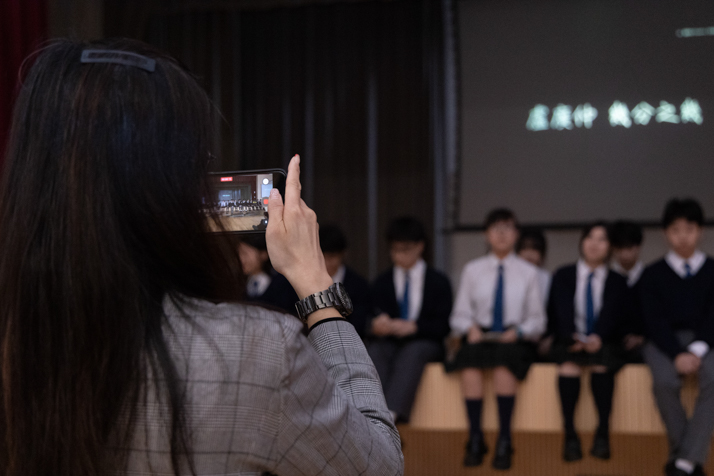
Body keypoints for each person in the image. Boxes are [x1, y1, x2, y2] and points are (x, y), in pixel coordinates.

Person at [0, 39, 403, 476]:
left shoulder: (19, 345)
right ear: (173, 184)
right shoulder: (260, 351)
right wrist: (317, 290)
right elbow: (379, 465)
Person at [450, 209, 546, 470]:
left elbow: (538, 320)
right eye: (496, 228)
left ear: (516, 234)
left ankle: (505, 439)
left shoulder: (529, 272)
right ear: (486, 234)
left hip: (514, 338)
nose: (502, 233)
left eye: (507, 228)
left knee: (505, 361)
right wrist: (469, 328)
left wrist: (519, 332)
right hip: (481, 336)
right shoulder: (472, 270)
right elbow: (458, 315)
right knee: (468, 360)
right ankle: (475, 437)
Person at [639, 198, 714, 476]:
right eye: (675, 230)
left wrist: (697, 349)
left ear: (700, 232)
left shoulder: (712, 269)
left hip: (706, 339)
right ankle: (690, 461)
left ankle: (681, 462)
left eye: (689, 229)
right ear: (665, 233)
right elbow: (653, 320)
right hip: (664, 341)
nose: (683, 237)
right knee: (663, 382)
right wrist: (677, 353)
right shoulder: (652, 274)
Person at [548, 222, 629, 462]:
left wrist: (598, 337)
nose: (594, 244)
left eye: (602, 239)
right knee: (568, 366)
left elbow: (616, 316)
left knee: (601, 365)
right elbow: (557, 311)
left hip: (605, 341)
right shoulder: (563, 274)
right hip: (570, 338)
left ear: (610, 246)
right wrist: (571, 335)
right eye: (590, 237)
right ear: (582, 242)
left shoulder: (617, 280)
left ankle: (602, 433)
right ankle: (570, 435)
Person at [368, 217, 453, 424]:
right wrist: (377, 325)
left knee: (414, 352)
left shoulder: (438, 282)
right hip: (389, 342)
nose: (399, 255)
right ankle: (371, 412)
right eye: (395, 250)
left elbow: (444, 326)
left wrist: (414, 327)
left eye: (405, 249)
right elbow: (369, 315)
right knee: (375, 350)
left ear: (419, 246)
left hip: (424, 342)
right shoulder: (382, 281)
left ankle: (390, 417)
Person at [319, 224, 373, 338]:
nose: (327, 262)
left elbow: (359, 323)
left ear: (343, 254)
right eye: (322, 257)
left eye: (332, 256)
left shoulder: (358, 285)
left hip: (347, 340)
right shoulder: (304, 281)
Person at [609, 220, 646, 358]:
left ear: (638, 247)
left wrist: (643, 337)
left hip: (645, 342)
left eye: (629, 248)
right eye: (619, 248)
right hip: (611, 343)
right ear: (613, 248)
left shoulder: (651, 278)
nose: (625, 254)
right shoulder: (605, 279)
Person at [238, 234, 299, 315]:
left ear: (263, 254)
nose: (240, 258)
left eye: (245, 253)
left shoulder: (282, 283)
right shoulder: (240, 284)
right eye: (238, 253)